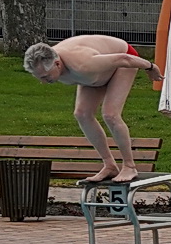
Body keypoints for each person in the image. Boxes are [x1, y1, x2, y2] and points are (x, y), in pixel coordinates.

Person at [21, 36, 162, 182]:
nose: (44, 82)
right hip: (95, 76)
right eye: (39, 78)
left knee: (110, 114)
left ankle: (129, 166)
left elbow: (123, 58)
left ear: (57, 64)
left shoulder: (82, 64)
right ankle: (109, 165)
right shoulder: (55, 63)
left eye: (46, 77)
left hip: (123, 61)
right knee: (82, 114)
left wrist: (150, 67)